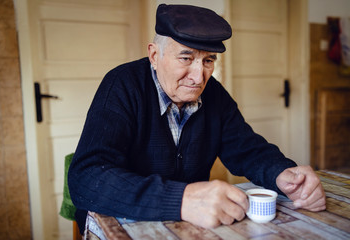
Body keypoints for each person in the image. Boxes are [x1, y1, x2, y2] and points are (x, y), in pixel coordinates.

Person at [68, 4, 326, 234]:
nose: (198, 76)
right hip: (122, 224)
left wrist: (282, 174)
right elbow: (86, 178)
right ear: (155, 55)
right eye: (186, 58)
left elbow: (247, 149)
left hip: (188, 226)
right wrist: (182, 200)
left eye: (208, 61)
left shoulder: (214, 94)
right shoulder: (122, 85)